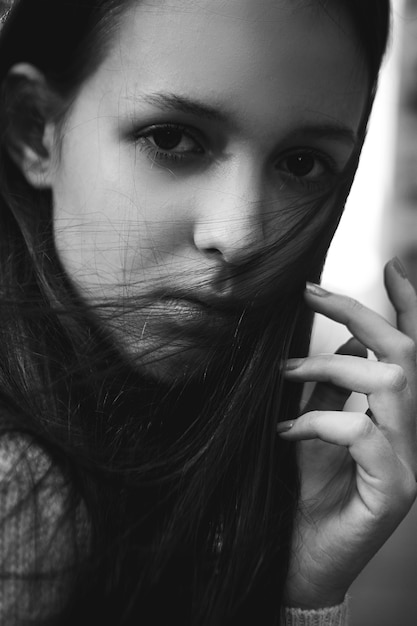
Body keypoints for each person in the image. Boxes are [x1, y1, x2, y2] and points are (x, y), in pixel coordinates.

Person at [0, 0, 414, 624]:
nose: (241, 233)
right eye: (171, 139)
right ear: (35, 128)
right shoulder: (22, 496)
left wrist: (303, 590)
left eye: (302, 164)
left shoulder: (170, 453)